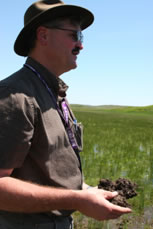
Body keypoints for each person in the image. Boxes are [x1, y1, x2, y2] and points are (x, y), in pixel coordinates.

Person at [0, 0, 132, 228]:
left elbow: (50, 172)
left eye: (81, 38)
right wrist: (77, 199)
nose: (81, 46)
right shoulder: (16, 96)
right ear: (43, 36)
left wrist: (88, 191)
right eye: (75, 36)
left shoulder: (54, 93)